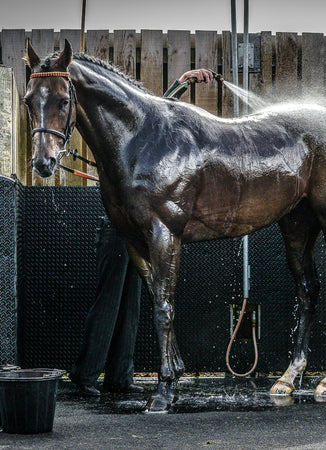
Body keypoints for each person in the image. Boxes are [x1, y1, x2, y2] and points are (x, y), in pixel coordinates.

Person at [69, 69, 217, 397]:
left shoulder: (146, 136)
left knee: (131, 303)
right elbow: (157, 110)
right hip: (117, 225)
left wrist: (181, 83)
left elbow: (159, 111)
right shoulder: (123, 134)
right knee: (109, 301)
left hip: (141, 226)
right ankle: (84, 375)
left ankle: (119, 377)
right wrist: (180, 83)